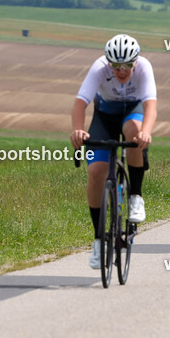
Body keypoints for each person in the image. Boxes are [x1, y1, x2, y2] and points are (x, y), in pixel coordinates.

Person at [70, 34, 157, 269]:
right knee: (97, 171)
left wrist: (146, 133)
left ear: (135, 62)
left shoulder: (144, 68)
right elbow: (80, 103)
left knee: (135, 131)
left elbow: (150, 105)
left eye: (127, 65)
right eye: (116, 66)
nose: (121, 71)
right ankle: (99, 242)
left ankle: (136, 196)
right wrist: (78, 131)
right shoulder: (98, 68)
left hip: (132, 112)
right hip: (105, 116)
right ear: (108, 62)